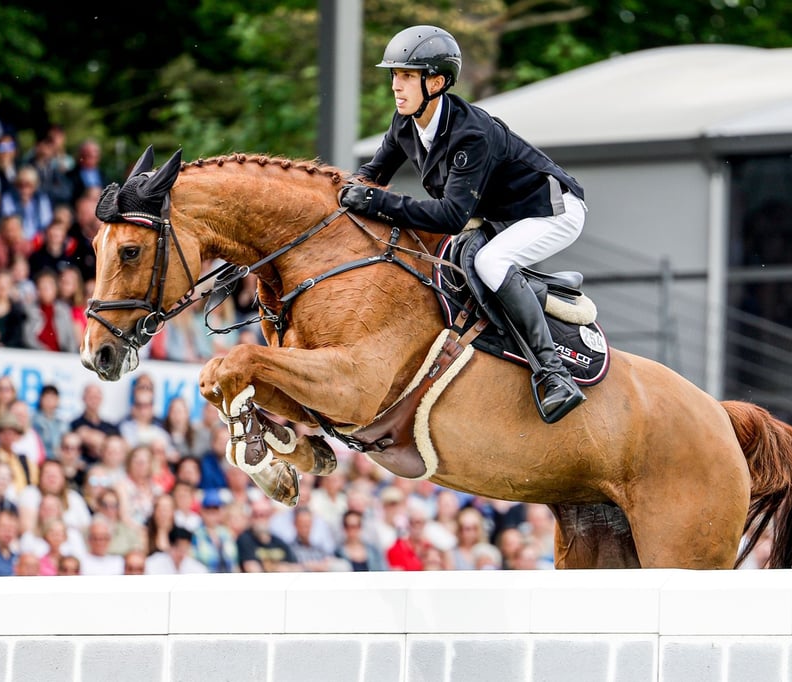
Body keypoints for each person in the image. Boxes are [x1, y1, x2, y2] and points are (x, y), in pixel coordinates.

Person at [341, 25, 587, 423]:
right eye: (394, 75)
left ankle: (554, 374)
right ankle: (532, 293)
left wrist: (375, 201)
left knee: (491, 263)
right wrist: (331, 197)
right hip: (503, 215)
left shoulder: (472, 134)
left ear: (436, 82)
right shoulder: (406, 121)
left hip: (551, 211)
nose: (396, 86)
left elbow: (451, 216)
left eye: (406, 76)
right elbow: (372, 175)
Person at [237, 497, 300, 573]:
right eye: (256, 514)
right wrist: (277, 568)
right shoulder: (244, 539)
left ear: (271, 516)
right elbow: (252, 569)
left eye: (264, 514)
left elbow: (298, 568)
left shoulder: (279, 541)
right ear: (250, 517)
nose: (260, 519)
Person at [23, 268, 79, 352]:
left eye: (48, 286)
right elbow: (28, 338)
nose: (45, 290)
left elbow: (70, 339)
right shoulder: (30, 310)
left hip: (61, 356)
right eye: (42, 287)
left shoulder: (63, 311)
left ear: (55, 289)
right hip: (37, 355)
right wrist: (44, 350)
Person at [144, 526, 209, 575]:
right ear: (170, 546)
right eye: (178, 548)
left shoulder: (197, 568)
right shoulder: (153, 563)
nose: (181, 553)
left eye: (185, 548)